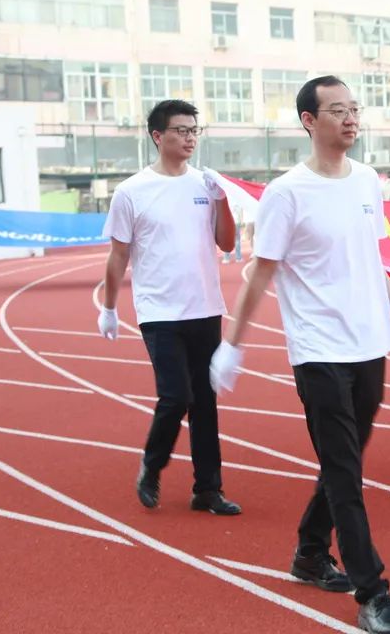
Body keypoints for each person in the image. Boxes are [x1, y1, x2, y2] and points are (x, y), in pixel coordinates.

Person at [209, 75, 390, 634]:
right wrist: (231, 345)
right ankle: (372, 593)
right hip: (318, 349)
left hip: (369, 342)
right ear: (309, 121)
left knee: (345, 463)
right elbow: (260, 272)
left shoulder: (367, 179)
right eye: (337, 110)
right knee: (344, 474)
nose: (351, 118)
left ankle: (311, 552)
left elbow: (365, 256)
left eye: (354, 108)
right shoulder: (287, 193)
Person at [99, 99, 242, 515]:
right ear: (158, 136)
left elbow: (227, 243)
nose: (190, 138)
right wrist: (109, 308)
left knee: (205, 404)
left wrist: (221, 199)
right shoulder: (131, 191)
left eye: (195, 130)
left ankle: (208, 489)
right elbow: (118, 255)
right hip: (159, 312)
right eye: (181, 130)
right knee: (175, 395)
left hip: (205, 307)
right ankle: (153, 464)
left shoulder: (204, 184)